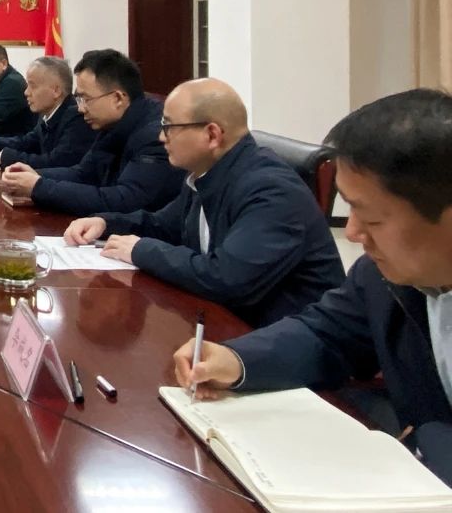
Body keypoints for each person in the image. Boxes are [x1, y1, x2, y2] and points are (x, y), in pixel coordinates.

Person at [174, 89, 452, 486]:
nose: (352, 233)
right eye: (349, 209)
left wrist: (427, 444)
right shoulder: (381, 275)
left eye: (371, 219)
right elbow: (326, 333)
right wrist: (236, 360)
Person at [64, 78, 344, 327]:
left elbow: (228, 278)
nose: (161, 137)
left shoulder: (271, 190)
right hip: (228, 323)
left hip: (284, 340)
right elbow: (163, 225)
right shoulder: (208, 172)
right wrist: (106, 223)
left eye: (168, 127)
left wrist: (141, 250)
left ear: (212, 135)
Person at [2, 49, 182, 215]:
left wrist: (40, 187)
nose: (81, 109)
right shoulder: (111, 124)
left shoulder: (155, 137)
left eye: (86, 99)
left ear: (118, 98)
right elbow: (84, 173)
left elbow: (125, 200)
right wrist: (36, 175)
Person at [0, 56, 95, 170]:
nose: (26, 92)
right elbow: (27, 142)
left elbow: (55, 162)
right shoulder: (47, 112)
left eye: (33, 86)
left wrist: (3, 157)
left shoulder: (77, 118)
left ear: (56, 91)